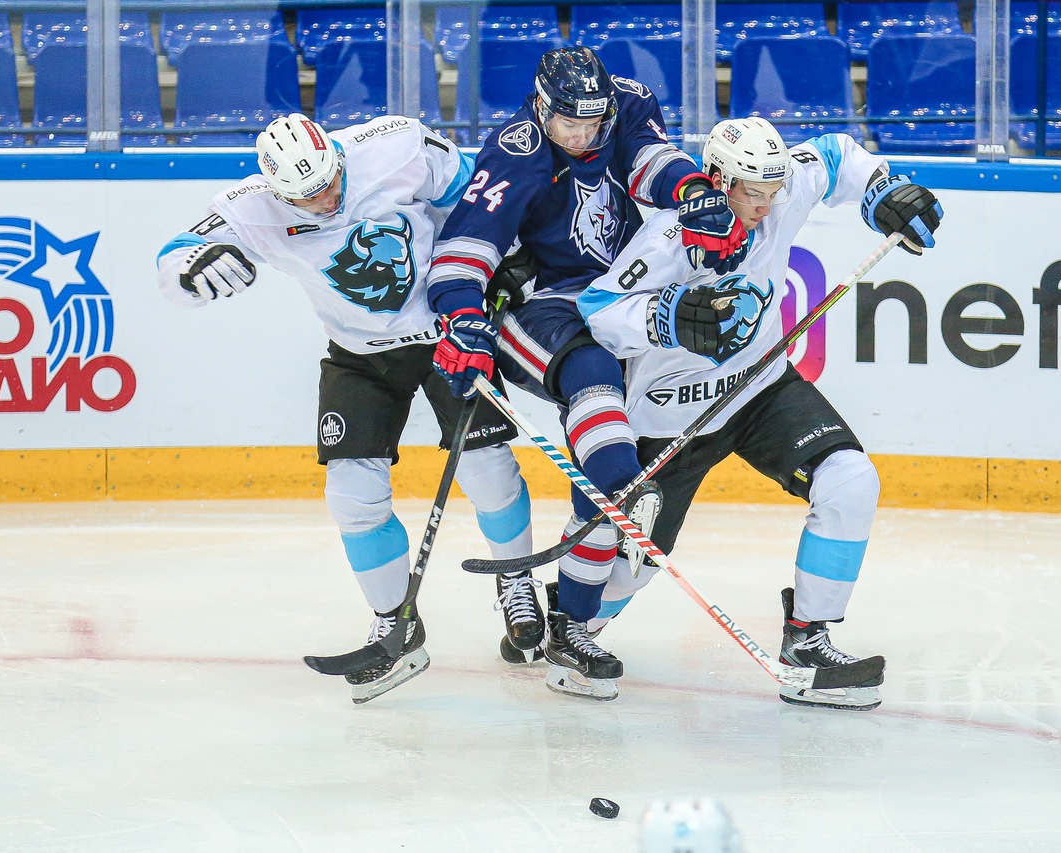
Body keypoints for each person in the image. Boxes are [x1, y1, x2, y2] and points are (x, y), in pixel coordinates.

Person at [155, 113, 542, 704]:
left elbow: (481, 196)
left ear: (337, 156)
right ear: (277, 191)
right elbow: (178, 255)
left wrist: (506, 265)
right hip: (360, 356)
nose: (326, 201)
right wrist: (190, 271)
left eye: (330, 183)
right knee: (352, 496)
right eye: (306, 198)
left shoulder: (397, 146)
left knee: (487, 467)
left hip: (447, 334)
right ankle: (395, 624)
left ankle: (516, 581)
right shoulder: (251, 207)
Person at [578, 117, 943, 709]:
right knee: (633, 568)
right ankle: (571, 626)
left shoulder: (777, 189)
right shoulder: (670, 236)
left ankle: (808, 641)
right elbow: (597, 311)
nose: (766, 207)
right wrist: (667, 319)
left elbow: (834, 154)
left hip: (761, 386)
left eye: (773, 192)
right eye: (752, 193)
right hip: (673, 418)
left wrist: (884, 189)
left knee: (850, 481)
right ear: (717, 179)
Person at [426, 47, 749, 700]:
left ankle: (572, 630)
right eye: (569, 124)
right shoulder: (517, 150)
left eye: (593, 124)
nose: (582, 136)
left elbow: (650, 159)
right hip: (541, 307)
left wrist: (694, 193)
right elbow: (462, 250)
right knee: (595, 389)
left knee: (602, 465)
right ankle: (617, 490)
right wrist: (461, 317)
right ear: (542, 108)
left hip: (621, 299)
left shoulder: (625, 104)